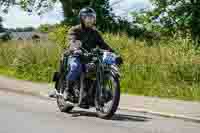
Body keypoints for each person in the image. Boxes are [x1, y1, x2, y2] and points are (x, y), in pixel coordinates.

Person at [65, 7, 119, 108]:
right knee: (75, 67)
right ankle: (68, 90)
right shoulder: (75, 29)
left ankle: (93, 94)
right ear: (82, 18)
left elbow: (103, 45)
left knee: (101, 68)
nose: (90, 20)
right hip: (76, 55)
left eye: (92, 18)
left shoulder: (95, 33)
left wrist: (114, 54)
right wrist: (75, 48)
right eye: (87, 17)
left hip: (90, 57)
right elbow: (71, 41)